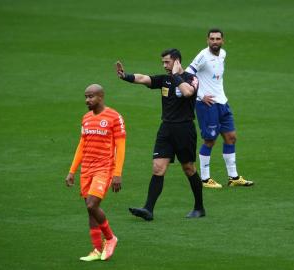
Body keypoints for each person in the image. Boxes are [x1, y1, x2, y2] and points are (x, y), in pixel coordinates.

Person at [115, 48, 205, 221]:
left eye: (167, 62)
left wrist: (177, 75)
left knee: (188, 169)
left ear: (177, 61)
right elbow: (144, 78)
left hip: (184, 130)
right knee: (158, 168)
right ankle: (148, 209)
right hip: (166, 130)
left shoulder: (191, 78)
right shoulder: (164, 80)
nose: (164, 65)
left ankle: (199, 207)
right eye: (163, 62)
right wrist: (124, 76)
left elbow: (187, 92)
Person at [185, 28, 254, 188]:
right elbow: (187, 74)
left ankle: (233, 177)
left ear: (222, 40)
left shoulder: (223, 54)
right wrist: (200, 96)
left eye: (217, 39)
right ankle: (204, 179)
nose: (214, 42)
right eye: (212, 39)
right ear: (207, 40)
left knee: (231, 137)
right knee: (209, 140)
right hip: (207, 105)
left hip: (222, 103)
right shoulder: (203, 56)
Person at [65, 84, 126, 261]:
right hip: (87, 169)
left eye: (91, 97)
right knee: (90, 210)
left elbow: (121, 147)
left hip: (104, 168)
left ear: (101, 97)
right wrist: (72, 171)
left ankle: (110, 238)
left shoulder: (114, 117)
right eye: (86, 97)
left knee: (92, 204)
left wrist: (117, 173)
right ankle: (97, 249)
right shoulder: (86, 118)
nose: (87, 100)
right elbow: (82, 145)